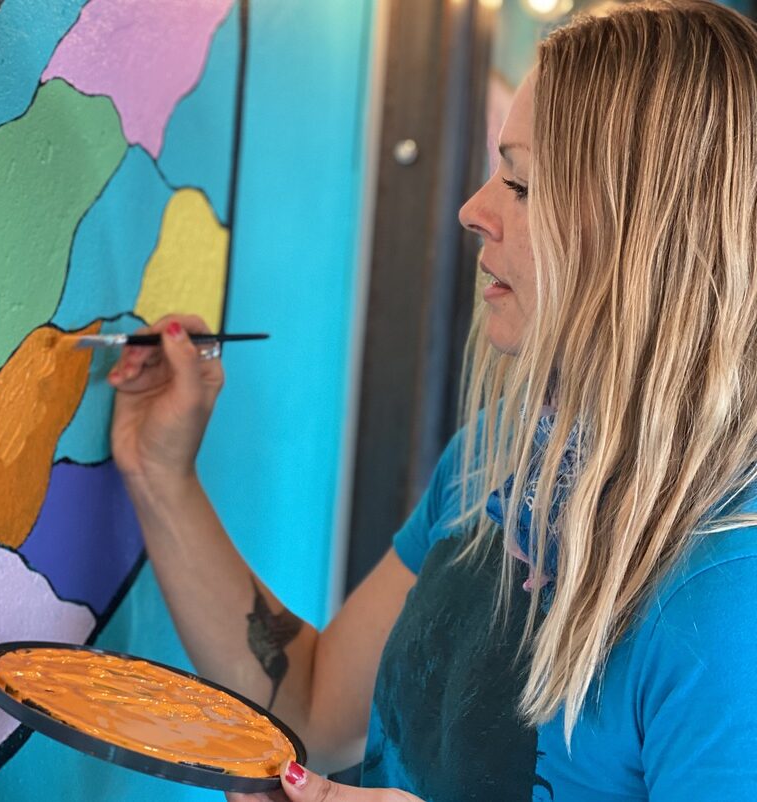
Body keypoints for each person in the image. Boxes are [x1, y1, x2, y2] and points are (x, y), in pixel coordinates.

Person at [108, 1, 757, 799]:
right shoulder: (505, 450)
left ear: (649, 237)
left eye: (519, 183)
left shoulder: (730, 598)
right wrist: (160, 473)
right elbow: (313, 703)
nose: (473, 210)